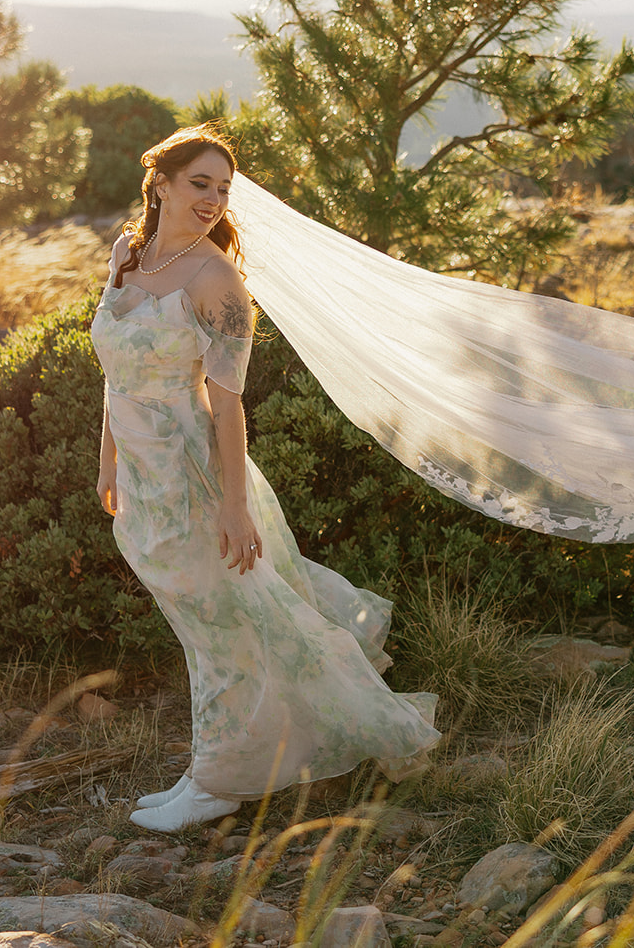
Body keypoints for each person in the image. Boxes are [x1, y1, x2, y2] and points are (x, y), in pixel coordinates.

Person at [91, 125, 440, 833]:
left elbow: (227, 405)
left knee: (224, 627)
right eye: (200, 183)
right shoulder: (128, 254)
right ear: (161, 183)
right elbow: (115, 373)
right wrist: (108, 460)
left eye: (223, 189)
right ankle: (226, 761)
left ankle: (219, 781)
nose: (213, 199)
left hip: (194, 474)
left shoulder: (217, 280)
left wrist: (234, 506)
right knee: (201, 624)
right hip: (143, 473)